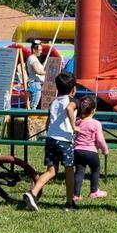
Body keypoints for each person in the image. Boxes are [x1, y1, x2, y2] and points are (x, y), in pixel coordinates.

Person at [22, 71, 81, 209]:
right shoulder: (72, 101)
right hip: (64, 140)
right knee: (69, 171)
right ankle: (70, 201)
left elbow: (48, 122)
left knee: (51, 171)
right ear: (73, 89)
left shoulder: (54, 102)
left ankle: (33, 192)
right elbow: (69, 109)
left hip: (51, 139)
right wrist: (74, 127)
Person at [68, 94, 108, 207]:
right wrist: (105, 150)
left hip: (78, 151)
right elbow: (99, 139)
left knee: (79, 172)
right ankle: (94, 191)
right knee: (95, 170)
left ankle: (76, 194)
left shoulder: (77, 122)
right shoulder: (96, 124)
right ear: (94, 110)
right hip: (91, 152)